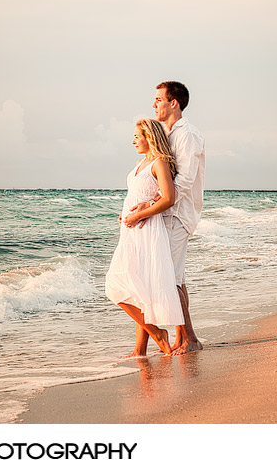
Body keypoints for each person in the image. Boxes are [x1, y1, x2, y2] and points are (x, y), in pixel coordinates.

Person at [130, 81, 205, 356]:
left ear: (174, 102)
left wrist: (152, 202)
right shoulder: (165, 132)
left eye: (159, 99)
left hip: (177, 214)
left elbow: (183, 181)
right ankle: (184, 337)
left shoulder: (188, 135)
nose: (154, 104)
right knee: (175, 277)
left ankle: (188, 339)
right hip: (164, 213)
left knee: (170, 278)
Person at [105, 118, 184, 356]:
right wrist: (126, 214)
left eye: (137, 137)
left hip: (146, 229)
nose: (133, 141)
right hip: (131, 230)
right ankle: (140, 348)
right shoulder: (141, 163)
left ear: (149, 137)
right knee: (138, 287)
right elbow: (137, 196)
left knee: (115, 286)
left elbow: (168, 198)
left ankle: (158, 333)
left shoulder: (158, 163)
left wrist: (140, 215)